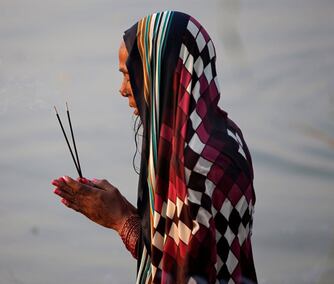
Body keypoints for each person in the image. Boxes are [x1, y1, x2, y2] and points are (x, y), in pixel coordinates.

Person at [52, 11, 257, 284]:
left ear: (161, 73)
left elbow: (184, 277)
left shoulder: (198, 163)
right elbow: (185, 256)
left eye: (129, 75)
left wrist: (121, 220)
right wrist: (121, 209)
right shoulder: (223, 136)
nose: (123, 89)